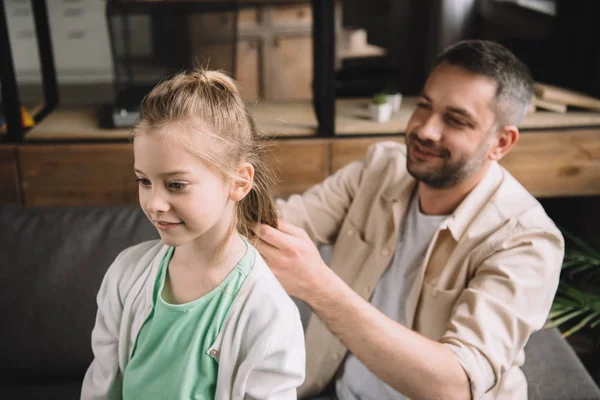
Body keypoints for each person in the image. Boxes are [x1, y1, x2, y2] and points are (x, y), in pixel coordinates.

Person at [255, 40, 564, 399]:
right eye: (424, 106)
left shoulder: (527, 240)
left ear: (501, 143)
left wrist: (318, 285)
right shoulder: (380, 168)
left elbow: (455, 385)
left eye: (455, 120)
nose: (425, 130)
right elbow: (278, 224)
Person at [81, 69, 305, 399]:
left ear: (239, 182)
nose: (154, 203)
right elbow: (101, 387)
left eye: (176, 185)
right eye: (144, 181)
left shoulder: (268, 312)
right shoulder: (125, 275)